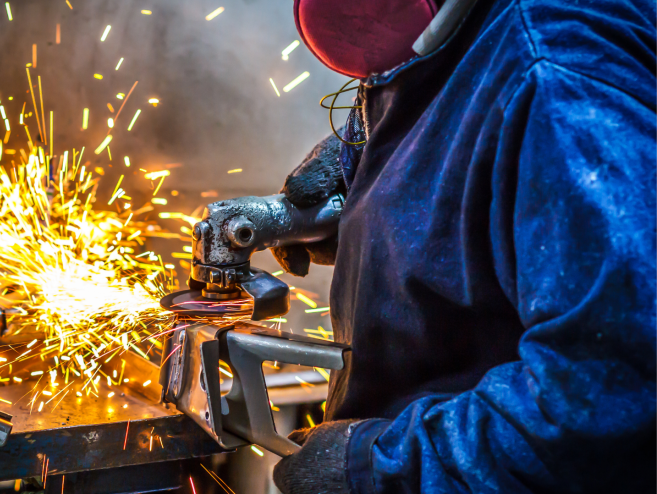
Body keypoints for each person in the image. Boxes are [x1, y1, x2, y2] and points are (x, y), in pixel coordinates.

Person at [269, 0, 656, 492]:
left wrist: (379, 469)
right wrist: (372, 168)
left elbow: (613, 389)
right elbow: (471, 100)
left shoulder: (556, 79)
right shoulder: (473, 26)